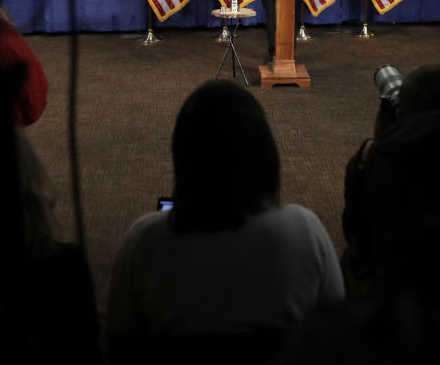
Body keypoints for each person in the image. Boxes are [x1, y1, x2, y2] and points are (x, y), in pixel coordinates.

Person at [105, 79, 343, 362]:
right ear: (265, 153)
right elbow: (341, 340)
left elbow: (116, 349)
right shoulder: (305, 231)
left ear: (183, 155)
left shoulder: (143, 241)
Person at [341, 64, 440, 303]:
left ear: (400, 114)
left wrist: (384, 138)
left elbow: (356, 234)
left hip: (395, 305)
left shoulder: (368, 162)